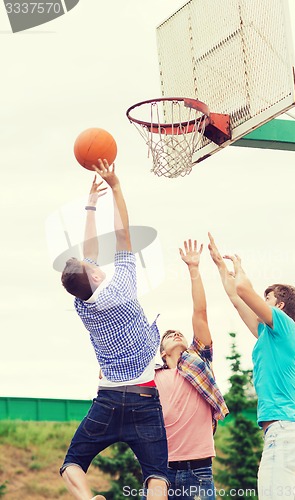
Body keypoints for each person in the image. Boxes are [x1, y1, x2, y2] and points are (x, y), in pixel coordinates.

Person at [60, 159, 169, 500]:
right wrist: (117, 188)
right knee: (157, 477)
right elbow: (122, 235)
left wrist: (91, 205)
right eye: (92, 266)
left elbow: (86, 257)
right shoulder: (122, 283)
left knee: (72, 464)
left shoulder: (83, 306)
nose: (95, 261)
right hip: (144, 398)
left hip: (107, 401)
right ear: (93, 276)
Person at [208, 232, 295, 500]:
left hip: (284, 434)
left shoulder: (283, 325)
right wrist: (221, 267)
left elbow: (244, 291)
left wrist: (240, 266)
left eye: (266, 298)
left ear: (278, 306)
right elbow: (237, 299)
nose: (260, 301)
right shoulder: (272, 335)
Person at [154, 239, 229, 500]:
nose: (176, 333)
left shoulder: (198, 360)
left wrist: (194, 269)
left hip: (198, 470)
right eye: (169, 335)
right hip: (160, 470)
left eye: (179, 332)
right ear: (162, 352)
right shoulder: (153, 375)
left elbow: (200, 312)